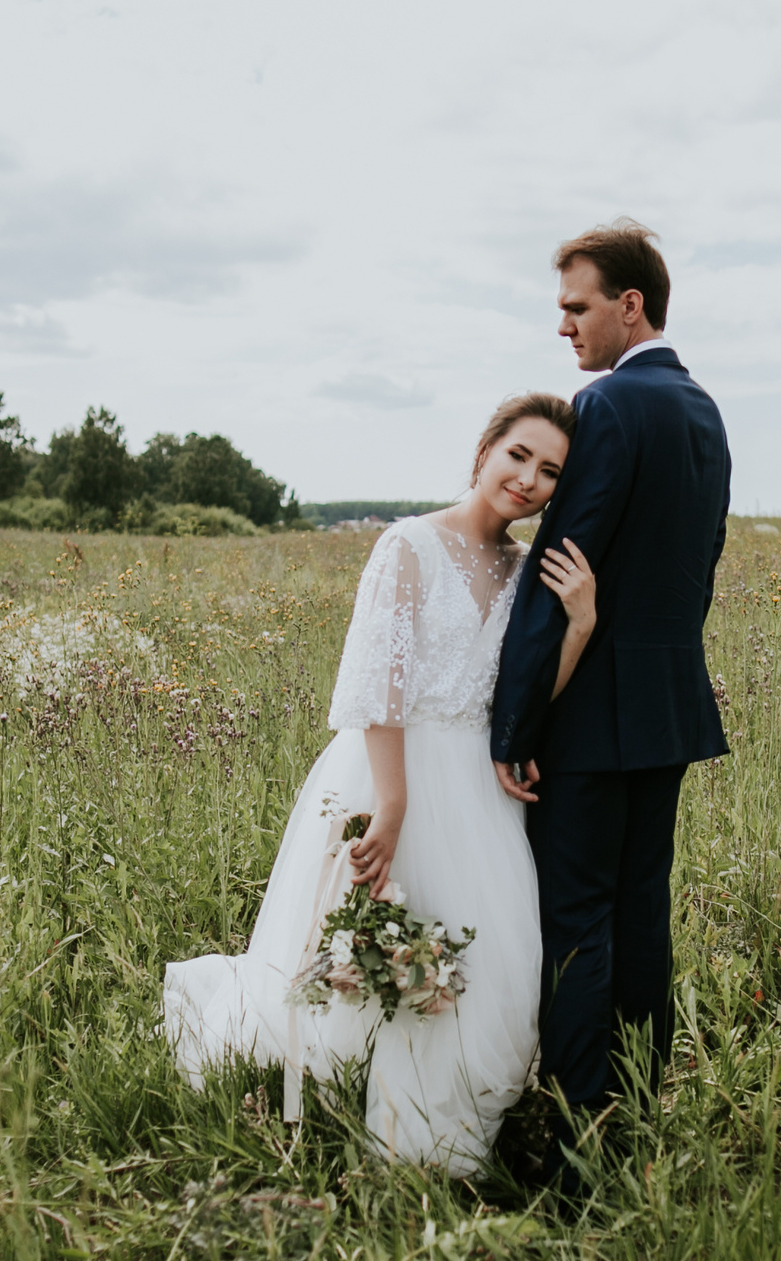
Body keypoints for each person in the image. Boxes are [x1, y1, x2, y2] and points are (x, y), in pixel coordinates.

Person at [164, 392, 601, 1176]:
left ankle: (440, 1134)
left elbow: (524, 703)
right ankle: (345, 1101)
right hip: (389, 767)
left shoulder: (527, 569)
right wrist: (390, 807)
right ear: (482, 451)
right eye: (518, 455)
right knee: (371, 952)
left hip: (479, 787)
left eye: (549, 471)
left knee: (494, 960)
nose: (529, 479)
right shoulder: (407, 545)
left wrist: (579, 626)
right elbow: (377, 687)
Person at [491, 220, 732, 1194]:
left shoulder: (609, 406)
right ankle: (634, 1115)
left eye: (576, 306)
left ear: (629, 305)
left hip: (590, 720)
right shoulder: (703, 411)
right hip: (668, 707)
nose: (564, 328)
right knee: (641, 920)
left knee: (578, 927)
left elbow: (563, 569)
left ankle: (583, 1158)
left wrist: (514, 726)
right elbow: (695, 566)